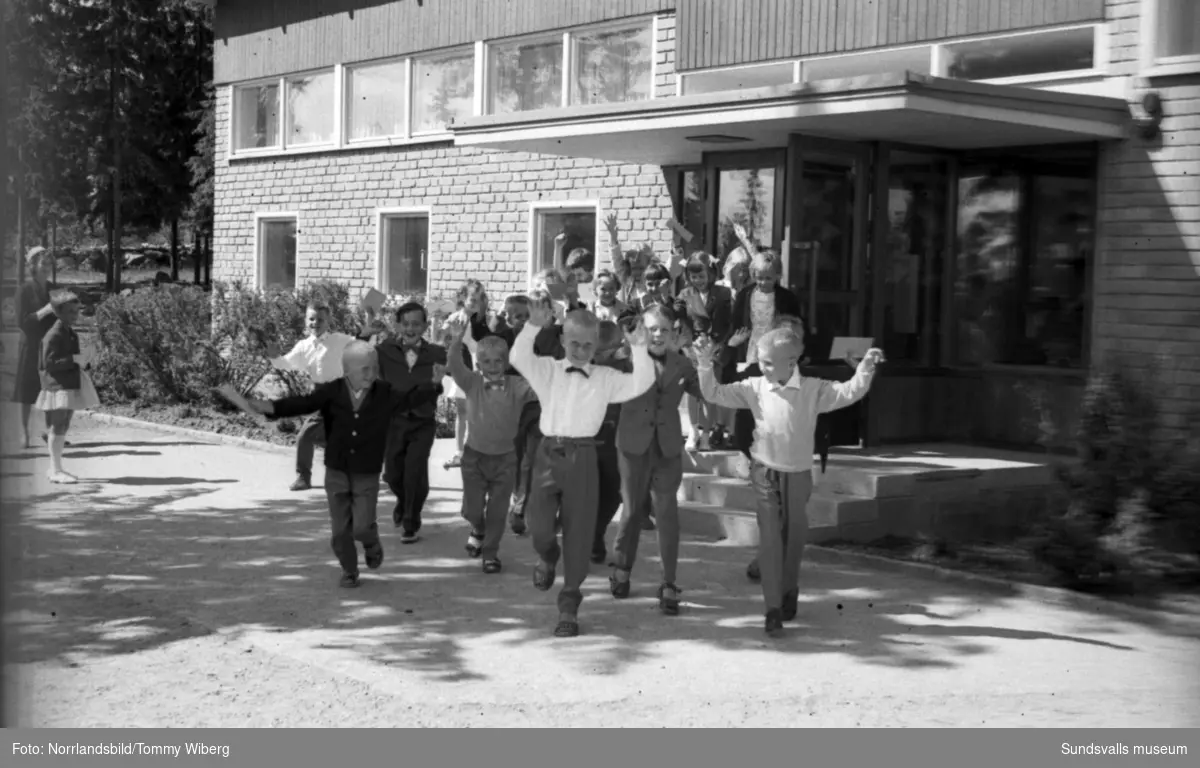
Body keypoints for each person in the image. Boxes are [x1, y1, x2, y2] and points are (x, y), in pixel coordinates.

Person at [693, 328, 883, 637]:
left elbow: (849, 392)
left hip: (798, 473)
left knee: (794, 536)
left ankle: (789, 589)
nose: (762, 368)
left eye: (768, 363)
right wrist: (703, 363)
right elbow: (714, 393)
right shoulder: (754, 386)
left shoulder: (813, 388)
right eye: (762, 362)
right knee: (769, 536)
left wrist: (865, 369)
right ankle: (771, 608)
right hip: (764, 471)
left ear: (792, 362)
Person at [509, 300, 655, 638]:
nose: (580, 350)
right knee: (538, 525)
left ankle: (569, 604)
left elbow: (640, 384)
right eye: (574, 343)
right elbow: (518, 358)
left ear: (598, 346)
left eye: (588, 345)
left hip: (584, 457)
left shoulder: (605, 377)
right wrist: (532, 325)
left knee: (580, 532)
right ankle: (547, 555)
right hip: (548, 453)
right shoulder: (547, 370)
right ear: (562, 339)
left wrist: (639, 346)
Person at [249, 341, 444, 588]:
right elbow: (304, 403)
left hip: (366, 472)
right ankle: (349, 570)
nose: (371, 374)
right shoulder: (332, 391)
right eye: (365, 369)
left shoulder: (383, 393)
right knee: (340, 533)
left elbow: (409, 399)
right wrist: (272, 408)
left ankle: (371, 542)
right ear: (347, 370)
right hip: (337, 472)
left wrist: (434, 385)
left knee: (362, 527)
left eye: (374, 368)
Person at [608, 305, 705, 616]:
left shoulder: (682, 364)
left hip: (666, 449)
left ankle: (669, 582)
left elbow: (707, 391)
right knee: (633, 511)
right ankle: (622, 567)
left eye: (664, 329)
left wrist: (706, 362)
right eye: (652, 329)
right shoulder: (627, 360)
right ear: (643, 331)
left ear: (673, 333)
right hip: (633, 447)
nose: (658, 334)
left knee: (667, 514)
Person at [444, 318, 536, 574]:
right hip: (474, 457)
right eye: (487, 361)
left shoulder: (518, 386)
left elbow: (544, 387)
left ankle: (490, 553)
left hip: (505, 460)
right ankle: (478, 528)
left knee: (497, 511)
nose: (493, 366)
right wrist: (456, 339)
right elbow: (454, 364)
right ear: (478, 364)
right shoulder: (471, 382)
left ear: (506, 363)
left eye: (499, 361)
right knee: (471, 510)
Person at [265, 302, 369, 491]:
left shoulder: (339, 340)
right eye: (311, 319)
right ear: (306, 321)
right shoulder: (303, 346)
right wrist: (274, 357)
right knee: (310, 436)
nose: (315, 323)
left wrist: (370, 317)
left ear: (329, 321)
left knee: (319, 435)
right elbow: (285, 364)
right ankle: (304, 477)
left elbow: (362, 344)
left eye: (320, 319)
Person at [374, 301, 449, 543]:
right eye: (405, 323)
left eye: (416, 323)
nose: (410, 328)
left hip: (422, 421)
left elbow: (462, 367)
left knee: (414, 471)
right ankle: (403, 501)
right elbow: (358, 355)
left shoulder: (436, 353)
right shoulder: (384, 350)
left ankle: (410, 521)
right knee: (393, 475)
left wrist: (455, 344)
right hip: (393, 421)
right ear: (397, 325)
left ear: (425, 326)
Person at [36, 291, 101, 484]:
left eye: (76, 311)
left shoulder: (68, 332)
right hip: (57, 385)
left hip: (68, 382)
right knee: (58, 424)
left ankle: (57, 467)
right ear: (58, 312)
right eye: (70, 311)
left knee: (64, 423)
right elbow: (48, 363)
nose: (75, 315)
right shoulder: (54, 334)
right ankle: (54, 469)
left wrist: (81, 362)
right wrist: (73, 360)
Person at [674, 253, 732, 451]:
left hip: (714, 349)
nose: (697, 281)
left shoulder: (723, 294)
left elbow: (728, 324)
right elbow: (680, 322)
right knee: (692, 392)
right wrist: (689, 346)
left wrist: (718, 345)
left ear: (711, 273)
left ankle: (706, 434)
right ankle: (693, 431)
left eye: (701, 276)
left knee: (709, 393)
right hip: (693, 349)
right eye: (693, 277)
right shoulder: (684, 295)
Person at [441, 279, 494, 470]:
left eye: (479, 300)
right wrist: (437, 322)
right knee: (462, 412)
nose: (474, 303)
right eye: (472, 299)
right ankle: (459, 452)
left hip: (480, 370)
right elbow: (439, 337)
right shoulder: (456, 316)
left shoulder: (483, 320)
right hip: (463, 368)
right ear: (464, 298)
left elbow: (488, 342)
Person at [589, 320, 630, 565]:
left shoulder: (627, 368)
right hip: (587, 438)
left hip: (617, 441)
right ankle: (590, 535)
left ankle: (596, 531)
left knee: (613, 492)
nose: (597, 357)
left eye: (605, 351)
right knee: (589, 491)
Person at [11, 247, 59, 448]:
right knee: (26, 392)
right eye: (43, 264)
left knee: (51, 391)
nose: (47, 268)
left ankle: (50, 432)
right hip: (30, 346)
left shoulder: (54, 289)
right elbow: (22, 321)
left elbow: (61, 319)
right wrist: (45, 311)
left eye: (49, 264)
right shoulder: (24, 290)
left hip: (49, 347)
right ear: (33, 266)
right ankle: (24, 433)